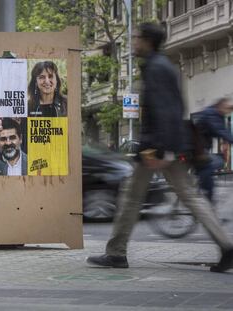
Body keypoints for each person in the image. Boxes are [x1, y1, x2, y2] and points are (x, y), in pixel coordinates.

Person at [86, 22, 233, 273]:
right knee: (189, 197)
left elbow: (165, 111)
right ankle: (226, 246)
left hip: (157, 148)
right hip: (167, 145)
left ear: (148, 41)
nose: (133, 42)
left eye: (136, 38)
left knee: (131, 198)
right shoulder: (165, 66)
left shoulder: (155, 68)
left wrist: (159, 151)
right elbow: (176, 109)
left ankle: (116, 253)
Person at [195, 98, 233, 203]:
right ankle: (207, 195)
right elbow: (220, 130)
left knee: (213, 163)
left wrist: (226, 140)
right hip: (197, 150)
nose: (228, 111)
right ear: (220, 106)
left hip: (200, 149)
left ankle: (204, 189)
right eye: (227, 108)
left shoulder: (215, 114)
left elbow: (222, 130)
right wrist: (227, 138)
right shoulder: (211, 113)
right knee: (215, 163)